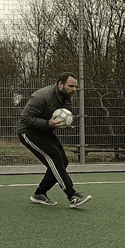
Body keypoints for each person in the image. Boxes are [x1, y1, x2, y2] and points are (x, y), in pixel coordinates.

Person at [18, 72, 92, 208]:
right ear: (60, 84)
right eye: (71, 86)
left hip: (46, 131)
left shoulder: (66, 97)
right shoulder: (41, 96)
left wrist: (64, 123)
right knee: (55, 157)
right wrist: (48, 124)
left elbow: (64, 115)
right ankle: (72, 195)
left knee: (63, 161)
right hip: (28, 132)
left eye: (76, 87)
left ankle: (40, 193)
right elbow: (24, 119)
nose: (74, 90)